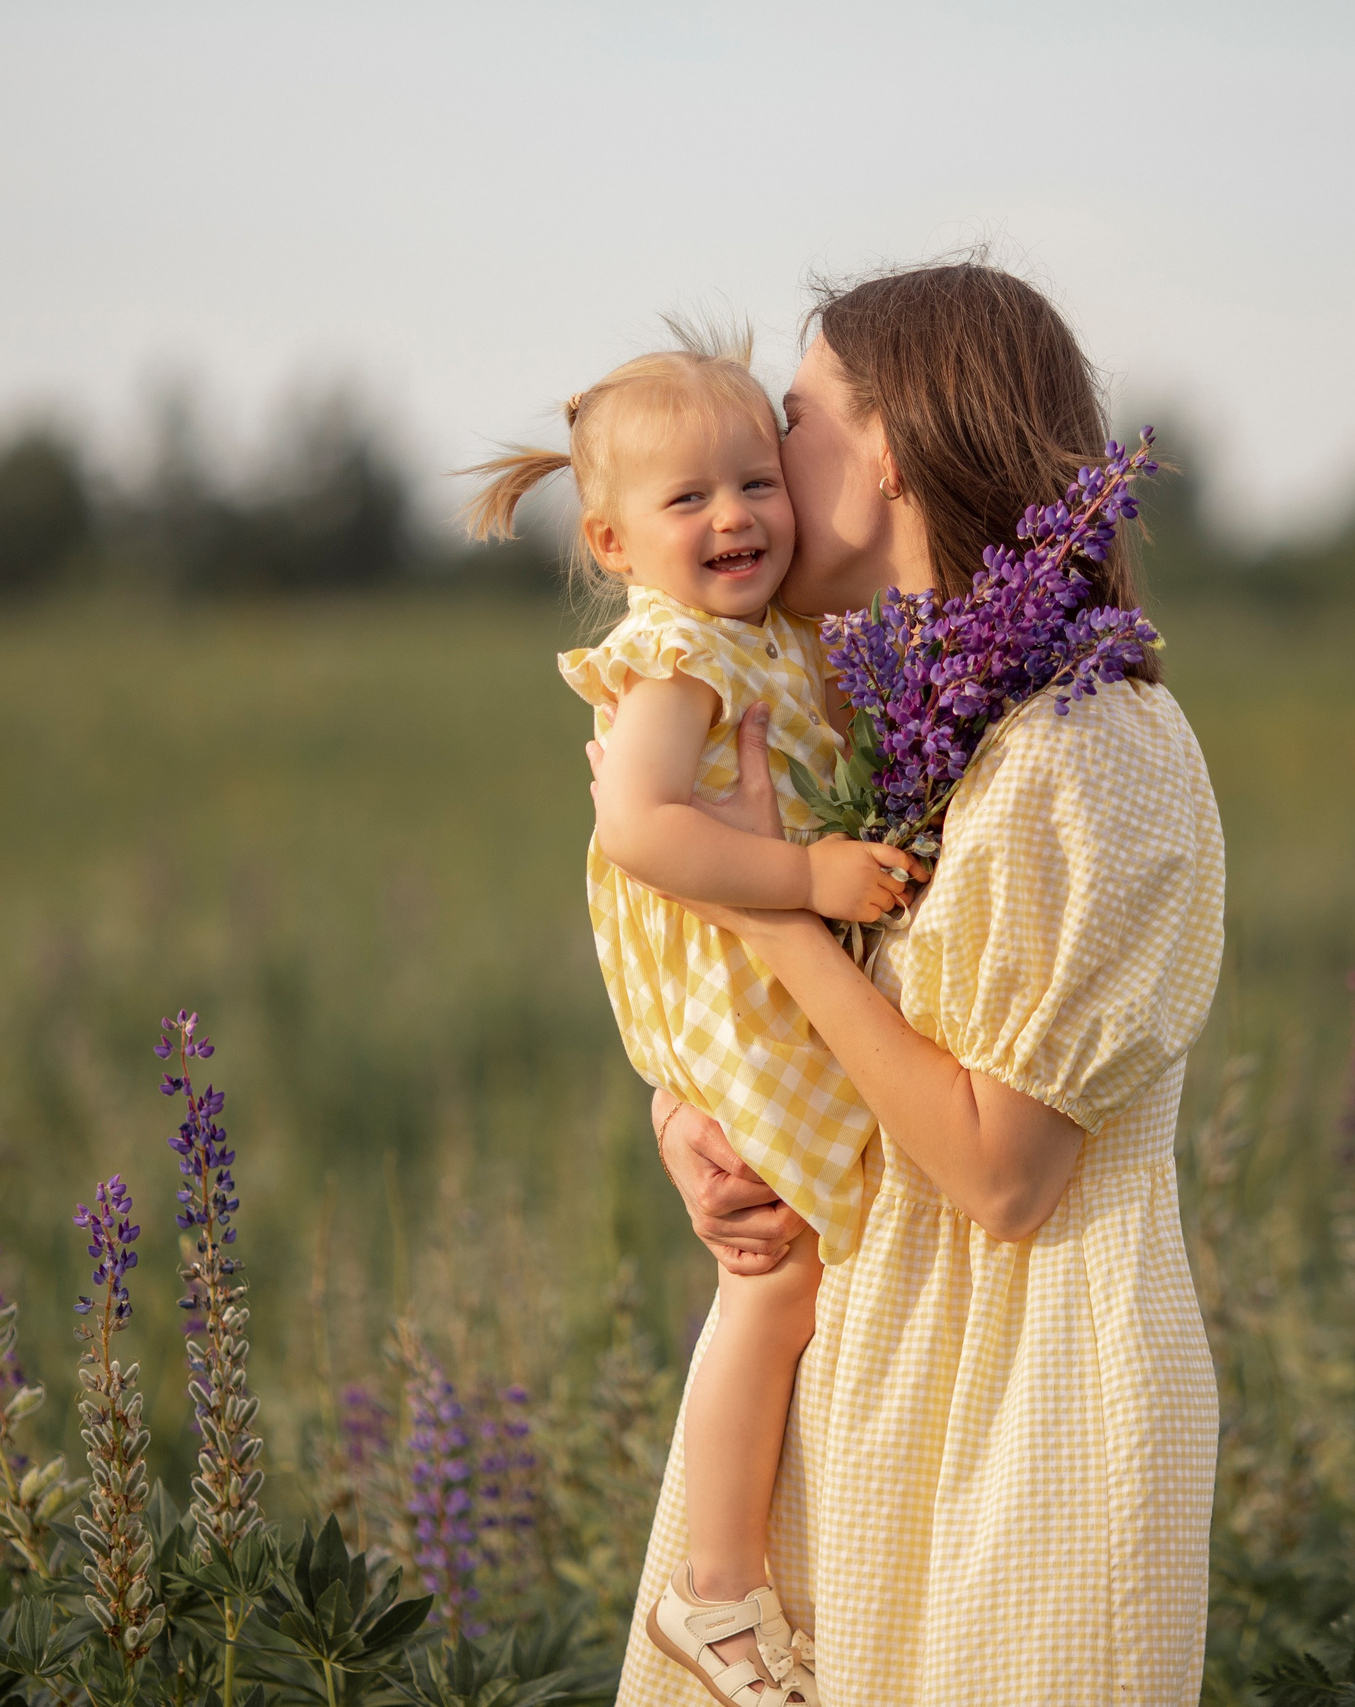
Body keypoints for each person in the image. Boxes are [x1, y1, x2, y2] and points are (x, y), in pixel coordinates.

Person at [602, 262, 1226, 1705]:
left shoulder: (1093, 743)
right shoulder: (874, 716)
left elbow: (1003, 1172)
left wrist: (768, 915)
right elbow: (832, 1037)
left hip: (1028, 1423)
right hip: (860, 1392)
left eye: (798, 419)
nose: (758, 463)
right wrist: (698, 1124)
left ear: (886, 450)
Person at [464, 324, 923, 1707]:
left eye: (755, 482)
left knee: (806, 1268)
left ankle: (777, 1564)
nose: (735, 518)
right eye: (689, 501)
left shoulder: (767, 641)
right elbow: (647, 830)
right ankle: (713, 1588)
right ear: (612, 544)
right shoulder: (673, 659)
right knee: (773, 1275)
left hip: (762, 988)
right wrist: (807, 876)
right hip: (728, 993)